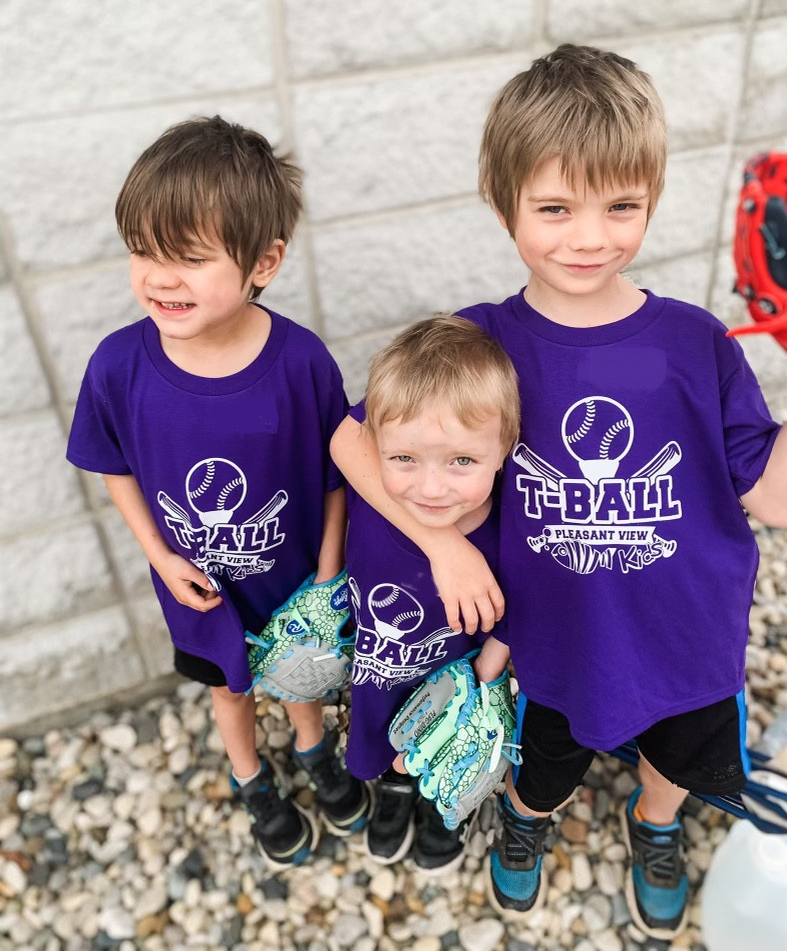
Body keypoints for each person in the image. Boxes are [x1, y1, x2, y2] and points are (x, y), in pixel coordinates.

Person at [331, 45, 787, 937]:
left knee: (683, 753)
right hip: (551, 635)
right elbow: (351, 440)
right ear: (503, 205)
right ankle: (526, 823)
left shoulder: (693, 343)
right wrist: (441, 542)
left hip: (683, 630)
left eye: (621, 207)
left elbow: (768, 492)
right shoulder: (479, 346)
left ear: (651, 198)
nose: (589, 237)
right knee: (543, 759)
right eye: (554, 208)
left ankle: (652, 824)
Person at [67, 116, 370, 872]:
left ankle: (310, 750)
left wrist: (329, 571)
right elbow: (113, 465)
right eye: (142, 251)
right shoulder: (117, 368)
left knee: (298, 676)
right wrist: (159, 558)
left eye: (190, 258)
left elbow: (339, 472)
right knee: (228, 688)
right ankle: (252, 780)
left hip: (295, 579)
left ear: (263, 261)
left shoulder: (299, 362)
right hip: (197, 587)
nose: (160, 278)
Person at [343, 316, 515, 872]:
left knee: (447, 752)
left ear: (505, 448)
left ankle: (446, 802)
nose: (432, 487)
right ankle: (396, 786)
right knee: (389, 737)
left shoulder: (511, 528)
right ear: (377, 445)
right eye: (405, 460)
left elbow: (525, 607)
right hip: (383, 666)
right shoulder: (373, 500)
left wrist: (482, 685)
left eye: (461, 461)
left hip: (460, 681)